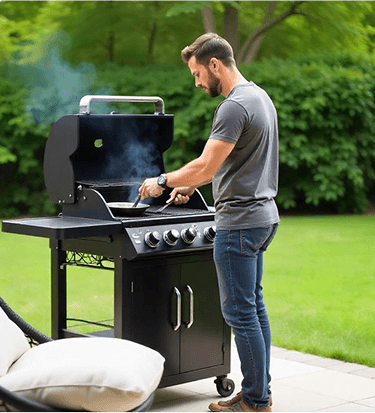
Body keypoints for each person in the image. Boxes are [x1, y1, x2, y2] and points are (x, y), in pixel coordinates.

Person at [138, 33, 280, 413]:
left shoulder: (233, 106)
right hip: (263, 218)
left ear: (215, 65)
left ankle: (255, 402)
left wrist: (163, 181)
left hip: (239, 223)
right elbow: (234, 164)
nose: (197, 83)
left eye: (198, 73)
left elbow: (204, 166)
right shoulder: (259, 97)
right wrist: (189, 186)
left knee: (240, 314)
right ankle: (259, 391)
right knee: (253, 308)